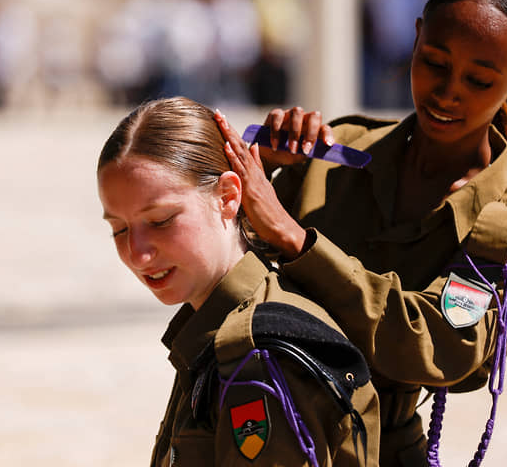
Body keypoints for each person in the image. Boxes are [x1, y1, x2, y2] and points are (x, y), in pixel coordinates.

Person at [215, 0, 507, 466]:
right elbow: (215, 275)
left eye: (479, 80)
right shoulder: (335, 154)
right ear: (415, 37)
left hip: (376, 448)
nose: (447, 92)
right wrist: (261, 169)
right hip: (252, 428)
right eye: (434, 62)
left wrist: (299, 244)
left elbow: (439, 346)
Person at [97, 97, 380, 466]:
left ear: (228, 197)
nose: (137, 253)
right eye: (118, 229)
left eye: (161, 220)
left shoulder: (258, 353)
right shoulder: (217, 328)